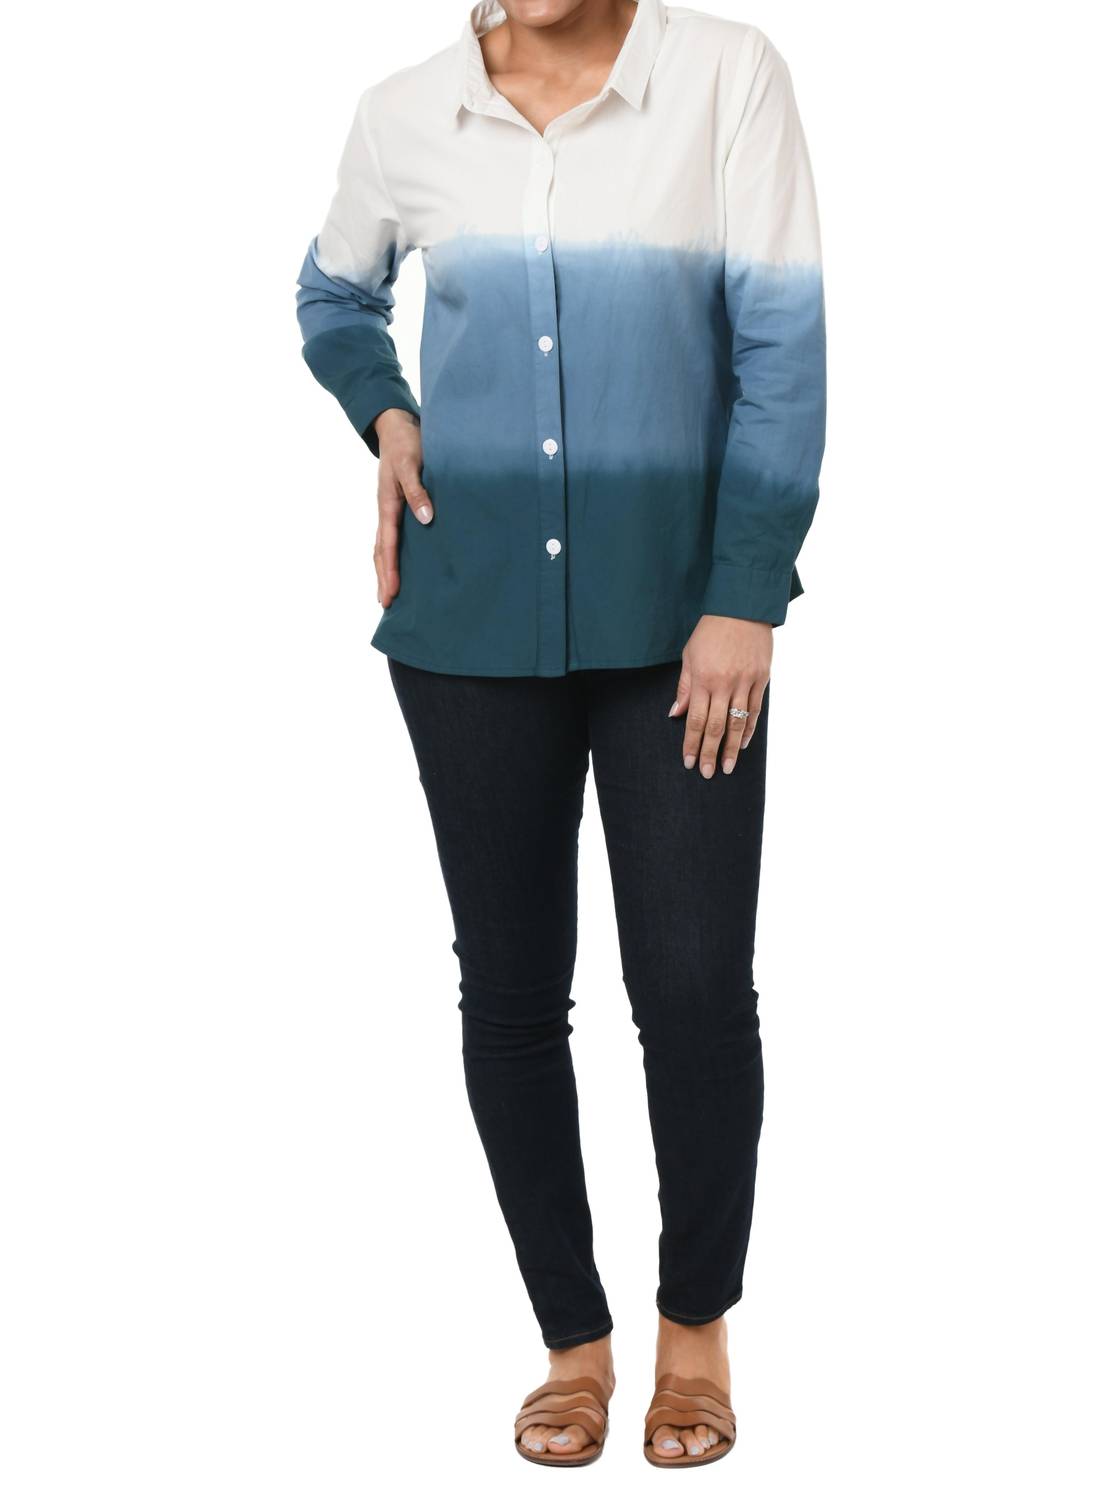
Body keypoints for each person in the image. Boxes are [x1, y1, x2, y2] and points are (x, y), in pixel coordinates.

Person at [296, 0, 824, 1468]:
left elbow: (782, 345)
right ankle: (571, 1345)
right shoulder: (405, 112)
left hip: (682, 629)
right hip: (468, 625)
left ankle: (695, 1330)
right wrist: (385, 414)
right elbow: (332, 294)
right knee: (512, 997)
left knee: (693, 990)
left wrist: (745, 594)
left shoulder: (725, 79)